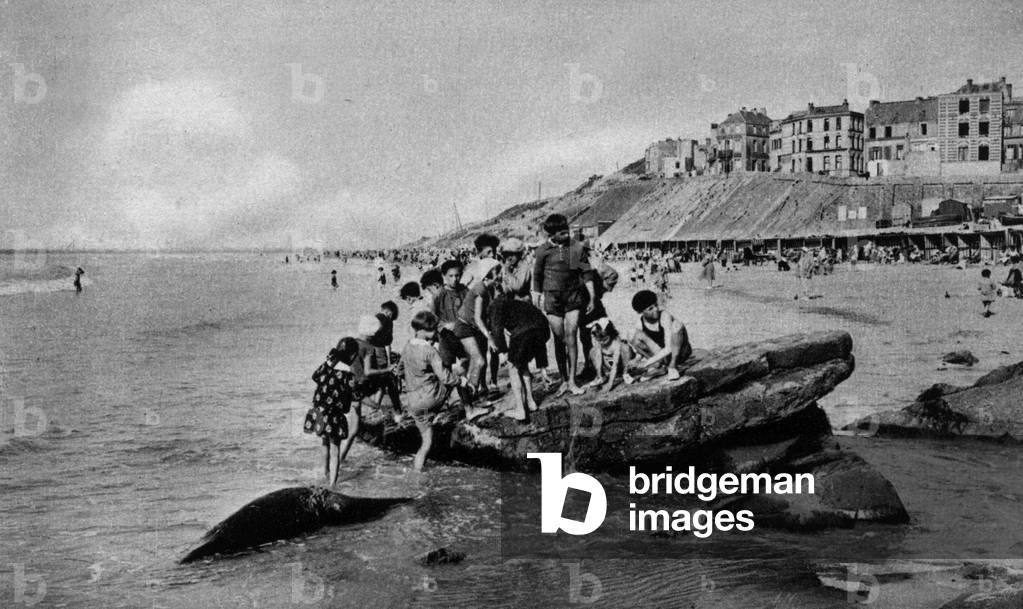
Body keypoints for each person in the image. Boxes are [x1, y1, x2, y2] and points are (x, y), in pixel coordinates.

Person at [401, 311, 476, 470]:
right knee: (458, 372)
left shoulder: (407, 346)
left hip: (413, 403)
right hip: (430, 398)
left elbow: (399, 370)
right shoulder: (430, 351)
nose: (436, 332)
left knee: (425, 444)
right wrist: (463, 381)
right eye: (433, 329)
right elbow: (446, 378)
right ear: (422, 330)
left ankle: (416, 478)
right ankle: (470, 408)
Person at [532, 214, 595, 396]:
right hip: (552, 299)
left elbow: (586, 274)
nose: (566, 235)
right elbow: (537, 275)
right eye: (561, 233)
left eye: (567, 231)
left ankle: (573, 381)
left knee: (571, 335)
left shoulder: (575, 248)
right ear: (551, 234)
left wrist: (591, 297)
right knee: (559, 339)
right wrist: (536, 296)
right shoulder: (543, 251)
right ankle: (564, 380)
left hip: (573, 296)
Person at [304, 338, 360, 486]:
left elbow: (315, 376)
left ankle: (325, 473)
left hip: (318, 412)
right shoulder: (348, 374)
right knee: (335, 449)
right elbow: (350, 402)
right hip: (333, 415)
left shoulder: (326, 368)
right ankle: (332, 484)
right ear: (353, 355)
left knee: (324, 443)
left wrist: (328, 362)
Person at [489, 292, 552, 420]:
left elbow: (496, 330)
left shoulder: (495, 306)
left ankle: (520, 410)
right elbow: (537, 322)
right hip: (543, 328)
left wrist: (503, 352)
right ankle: (531, 401)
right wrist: (542, 368)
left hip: (524, 331)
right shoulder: (515, 304)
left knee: (513, 367)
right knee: (522, 363)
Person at [453, 258, 502, 401]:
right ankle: (470, 398)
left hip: (475, 328)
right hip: (465, 327)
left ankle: (479, 391)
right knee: (479, 361)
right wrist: (490, 338)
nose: (500, 275)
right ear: (488, 274)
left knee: (481, 362)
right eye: (497, 272)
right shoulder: (480, 289)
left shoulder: (490, 288)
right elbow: (478, 318)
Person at [629, 289, 693, 381]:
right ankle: (660, 367)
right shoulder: (639, 323)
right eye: (650, 309)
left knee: (677, 325)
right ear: (641, 312)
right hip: (663, 355)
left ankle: (673, 366)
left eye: (656, 305)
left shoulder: (664, 316)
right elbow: (642, 348)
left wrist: (647, 363)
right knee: (634, 336)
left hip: (679, 352)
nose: (656, 309)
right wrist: (636, 360)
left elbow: (669, 348)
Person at [354, 315, 403, 422]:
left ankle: (373, 414)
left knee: (355, 416)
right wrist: (388, 369)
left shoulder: (353, 342)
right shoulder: (369, 347)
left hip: (351, 383)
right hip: (360, 385)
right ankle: (394, 412)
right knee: (387, 383)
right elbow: (368, 371)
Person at [586, 317, 635, 393]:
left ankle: (626, 373)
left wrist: (610, 384)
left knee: (625, 348)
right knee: (593, 351)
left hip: (620, 365)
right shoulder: (599, 342)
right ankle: (602, 376)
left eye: (605, 339)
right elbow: (598, 357)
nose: (602, 342)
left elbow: (615, 364)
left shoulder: (616, 343)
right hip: (608, 366)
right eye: (599, 340)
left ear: (611, 334)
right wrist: (599, 374)